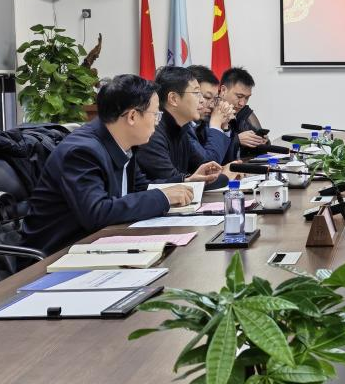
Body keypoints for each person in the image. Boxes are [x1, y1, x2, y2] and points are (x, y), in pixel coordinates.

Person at [22, 75, 209, 254]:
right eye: (155, 114)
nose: (156, 122)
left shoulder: (123, 143)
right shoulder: (81, 152)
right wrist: (163, 197)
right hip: (57, 254)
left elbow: (140, 188)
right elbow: (97, 212)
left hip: (99, 243)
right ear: (132, 116)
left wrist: (183, 184)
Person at [134, 66, 229, 185]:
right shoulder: (152, 133)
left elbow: (198, 170)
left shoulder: (182, 127)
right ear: (173, 99)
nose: (202, 101)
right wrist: (225, 176)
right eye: (196, 93)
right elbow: (172, 185)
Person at [220, 67, 266, 161]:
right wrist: (237, 140)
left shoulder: (242, 110)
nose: (242, 103)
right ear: (223, 90)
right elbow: (207, 153)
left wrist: (260, 140)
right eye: (239, 96)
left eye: (247, 98)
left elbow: (262, 146)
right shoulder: (207, 111)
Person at [186, 64, 235, 152]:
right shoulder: (181, 127)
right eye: (207, 97)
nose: (212, 106)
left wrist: (224, 127)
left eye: (215, 99)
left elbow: (225, 158)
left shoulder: (204, 124)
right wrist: (215, 125)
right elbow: (208, 159)